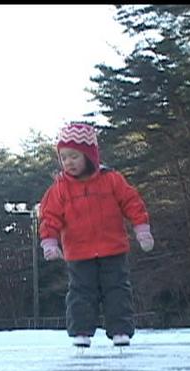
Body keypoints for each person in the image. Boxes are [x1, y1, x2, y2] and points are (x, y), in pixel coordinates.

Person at [38, 121, 153, 348]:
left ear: (89, 156)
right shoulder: (60, 189)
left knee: (117, 289)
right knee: (81, 292)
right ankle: (81, 331)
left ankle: (120, 330)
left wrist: (142, 230)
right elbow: (50, 217)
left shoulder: (111, 180)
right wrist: (49, 243)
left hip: (113, 248)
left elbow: (132, 203)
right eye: (64, 157)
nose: (68, 162)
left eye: (74, 156)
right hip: (79, 253)